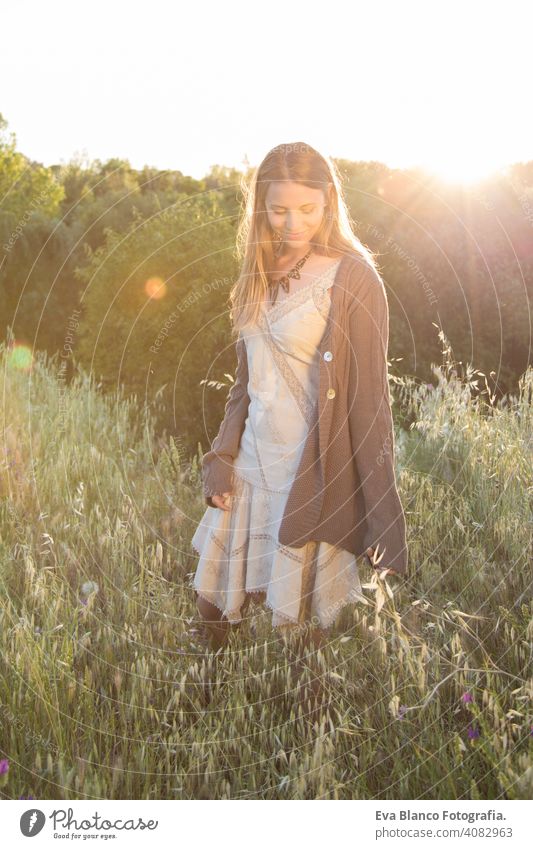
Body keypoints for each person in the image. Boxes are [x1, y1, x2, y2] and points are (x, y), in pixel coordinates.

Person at [190, 142, 408, 669]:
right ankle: (206, 730)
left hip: (310, 473)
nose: (294, 223)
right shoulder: (258, 272)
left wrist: (383, 520)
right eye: (279, 209)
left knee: (302, 641)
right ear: (261, 207)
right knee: (210, 615)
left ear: (329, 202)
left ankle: (314, 745)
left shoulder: (355, 278)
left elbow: (370, 406)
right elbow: (246, 384)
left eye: (308, 209)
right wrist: (221, 457)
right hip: (251, 468)